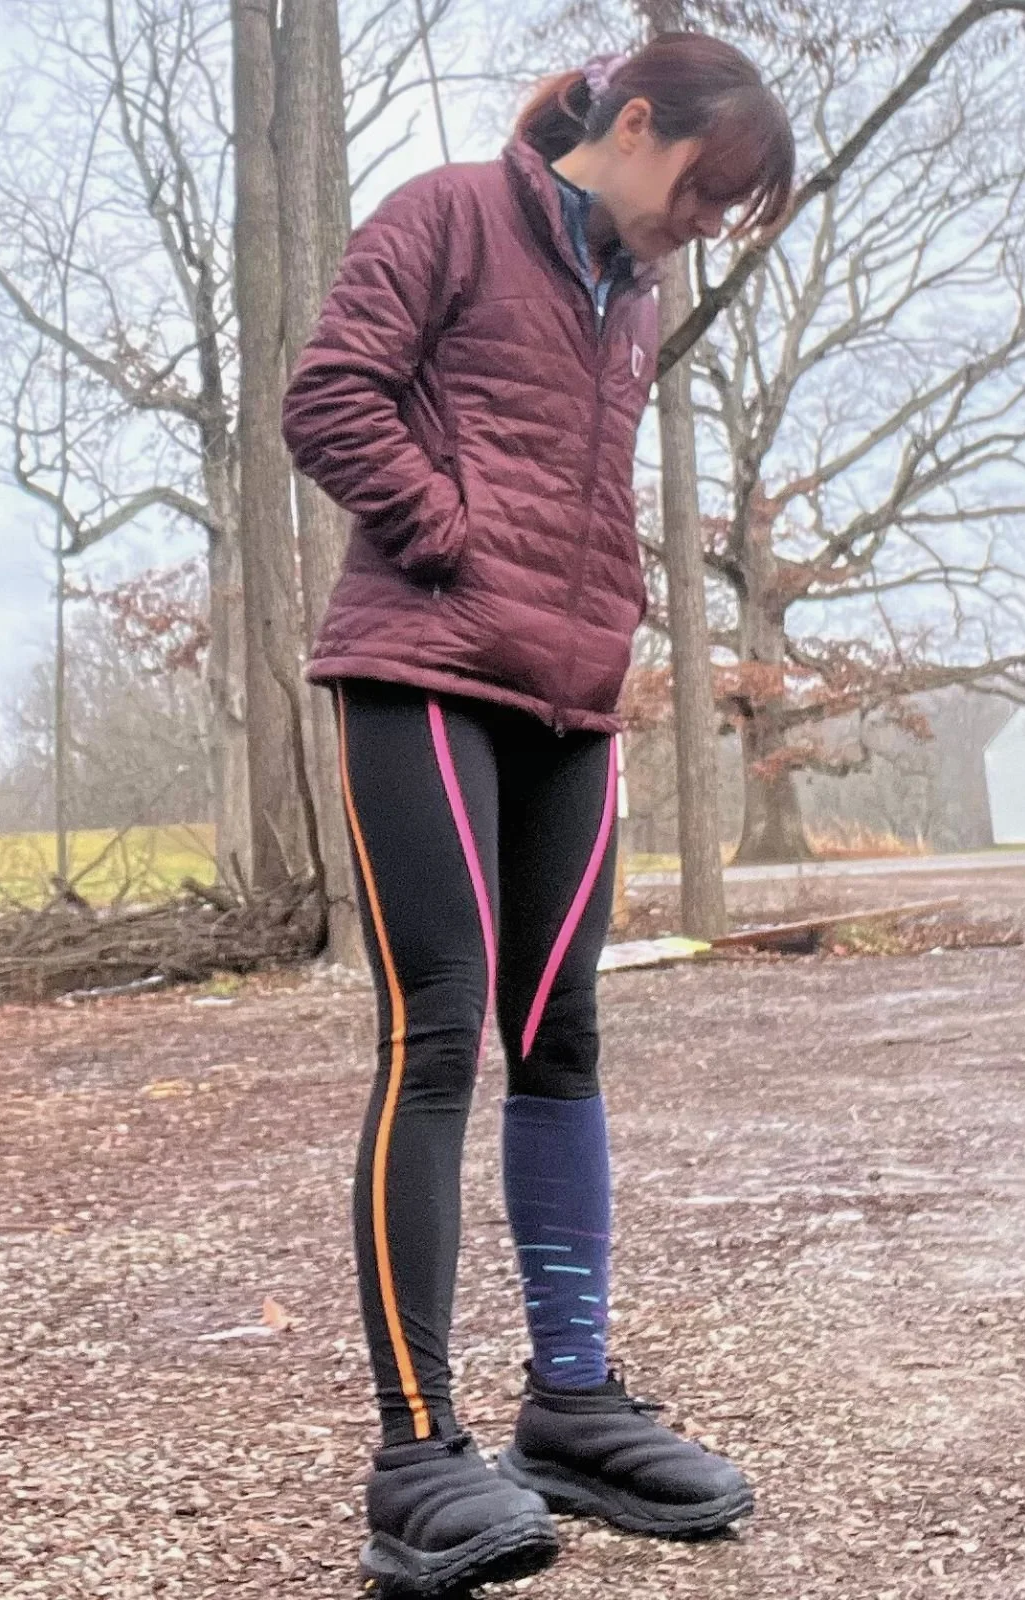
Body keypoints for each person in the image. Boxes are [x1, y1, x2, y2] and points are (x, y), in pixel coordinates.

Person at [280, 35, 793, 1599]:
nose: (697, 232)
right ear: (635, 126)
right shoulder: (447, 213)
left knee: (561, 1037)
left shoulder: (628, 299)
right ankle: (416, 1450)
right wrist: (450, 535)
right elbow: (330, 400)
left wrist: (610, 609)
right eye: (701, 195)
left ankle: (570, 1407)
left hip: (571, 703)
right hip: (425, 672)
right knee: (439, 1034)